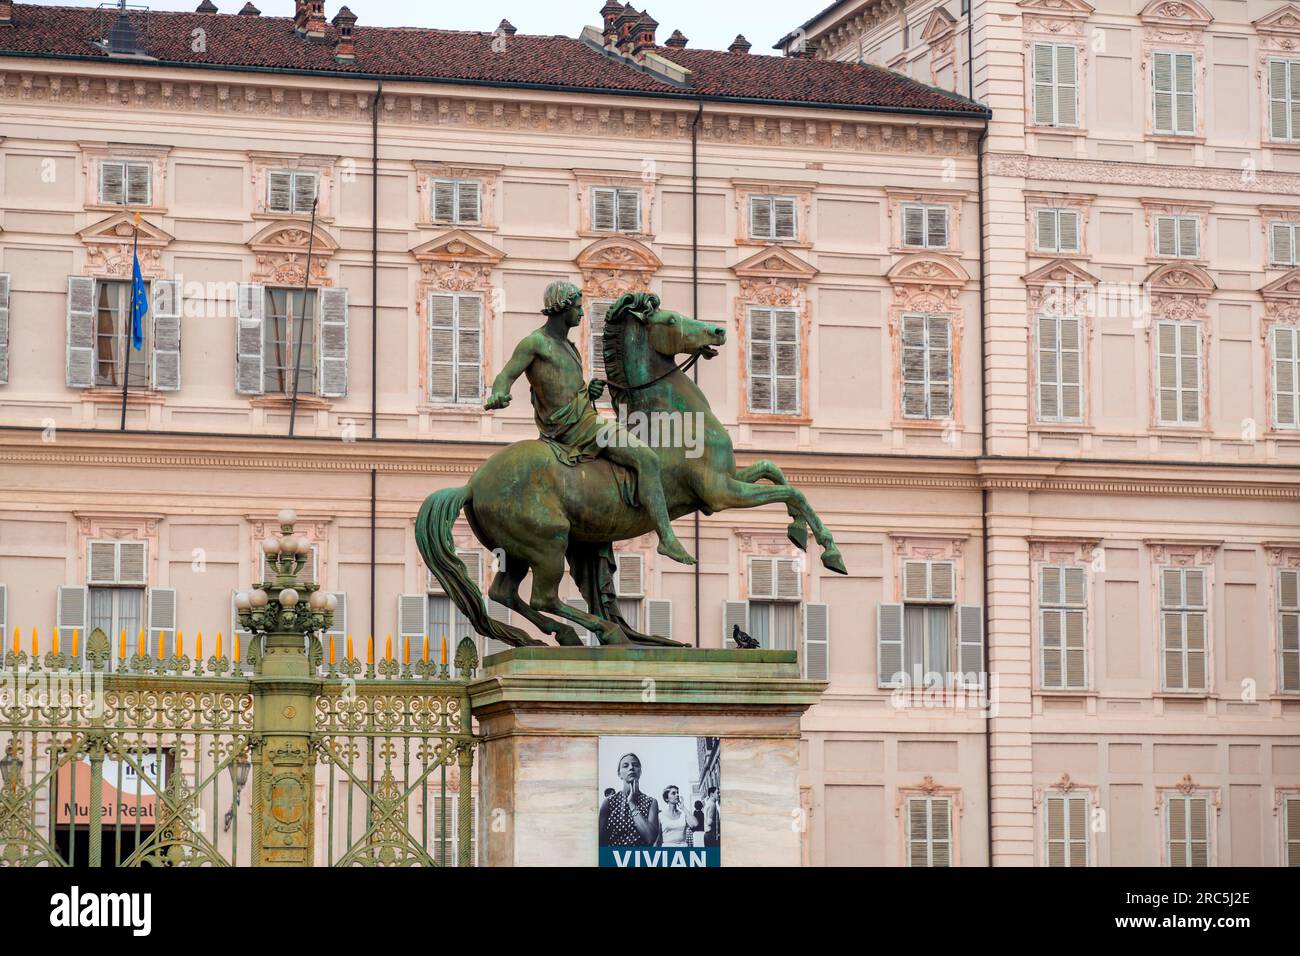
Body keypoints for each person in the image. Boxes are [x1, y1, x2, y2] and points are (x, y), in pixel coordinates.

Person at [484, 281, 695, 566]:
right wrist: (500, 393)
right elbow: (507, 374)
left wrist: (588, 391)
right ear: (562, 308)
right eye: (577, 307)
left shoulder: (568, 346)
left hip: (584, 417)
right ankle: (667, 539)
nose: (581, 313)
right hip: (576, 427)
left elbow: (566, 387)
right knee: (647, 458)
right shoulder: (536, 343)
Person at [598, 752, 660, 846]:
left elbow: (650, 838)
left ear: (640, 772)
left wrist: (632, 804)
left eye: (635, 765)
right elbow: (600, 843)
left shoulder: (651, 802)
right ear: (619, 774)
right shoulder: (608, 802)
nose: (631, 768)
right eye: (625, 766)